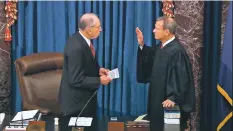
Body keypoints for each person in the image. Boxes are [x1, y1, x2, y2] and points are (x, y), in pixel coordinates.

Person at [136, 16, 195, 131]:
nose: (153, 31)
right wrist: (142, 45)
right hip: (157, 102)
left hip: (169, 105)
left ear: (167, 32)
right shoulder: (161, 47)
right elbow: (150, 59)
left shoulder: (177, 51)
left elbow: (182, 78)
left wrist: (173, 97)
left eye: (156, 28)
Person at [58, 13, 112, 130]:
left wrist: (98, 70)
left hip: (85, 103)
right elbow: (75, 79)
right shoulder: (76, 47)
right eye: (98, 27)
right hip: (76, 108)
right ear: (89, 29)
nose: (101, 30)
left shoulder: (82, 40)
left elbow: (83, 66)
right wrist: (99, 80)